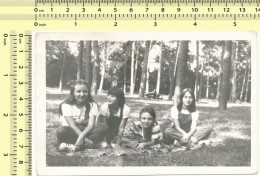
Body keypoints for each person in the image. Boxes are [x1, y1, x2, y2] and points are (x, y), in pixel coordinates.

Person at [56, 79, 108, 152]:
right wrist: (85, 140)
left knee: (103, 127)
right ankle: (92, 144)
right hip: (71, 130)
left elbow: (91, 125)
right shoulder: (66, 105)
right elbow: (72, 125)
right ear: (73, 93)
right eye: (78, 91)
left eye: (85, 91)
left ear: (88, 92)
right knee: (61, 131)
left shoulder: (92, 105)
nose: (82, 94)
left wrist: (81, 137)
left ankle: (72, 145)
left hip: (87, 131)